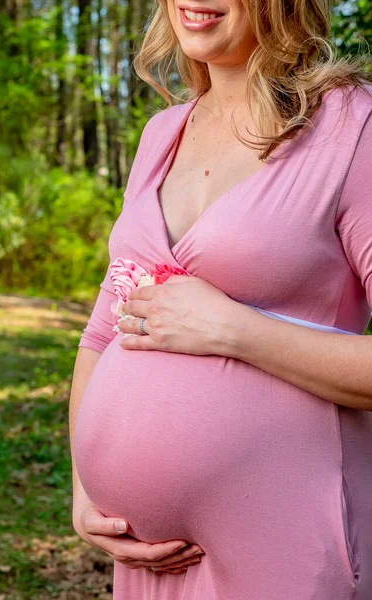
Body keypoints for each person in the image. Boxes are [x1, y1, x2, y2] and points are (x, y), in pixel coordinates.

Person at [69, 0, 372, 598]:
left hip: (288, 542)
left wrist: (237, 331)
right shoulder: (164, 132)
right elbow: (104, 331)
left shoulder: (351, 127)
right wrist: (86, 488)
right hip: (147, 560)